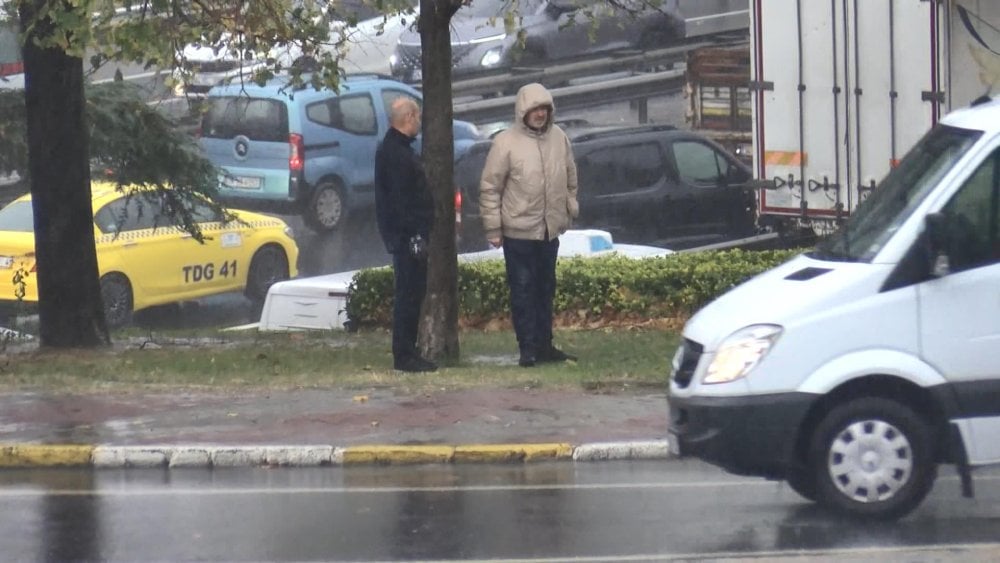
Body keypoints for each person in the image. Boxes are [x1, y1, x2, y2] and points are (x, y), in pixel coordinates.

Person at [478, 83, 579, 367]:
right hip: (518, 232)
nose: (539, 114)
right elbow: (490, 187)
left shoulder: (559, 138)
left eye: (544, 109)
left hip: (549, 231)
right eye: (534, 109)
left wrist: (570, 207)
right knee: (522, 290)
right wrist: (493, 229)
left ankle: (545, 345)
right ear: (524, 111)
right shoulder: (505, 143)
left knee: (545, 290)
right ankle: (527, 348)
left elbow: (571, 176)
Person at [374, 97, 437, 373]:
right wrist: (414, 234)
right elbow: (401, 201)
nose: (420, 123)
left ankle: (408, 350)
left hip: (406, 235)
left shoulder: (395, 149)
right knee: (409, 295)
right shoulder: (396, 154)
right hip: (407, 237)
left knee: (412, 293)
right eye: (418, 117)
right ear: (409, 117)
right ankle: (405, 353)